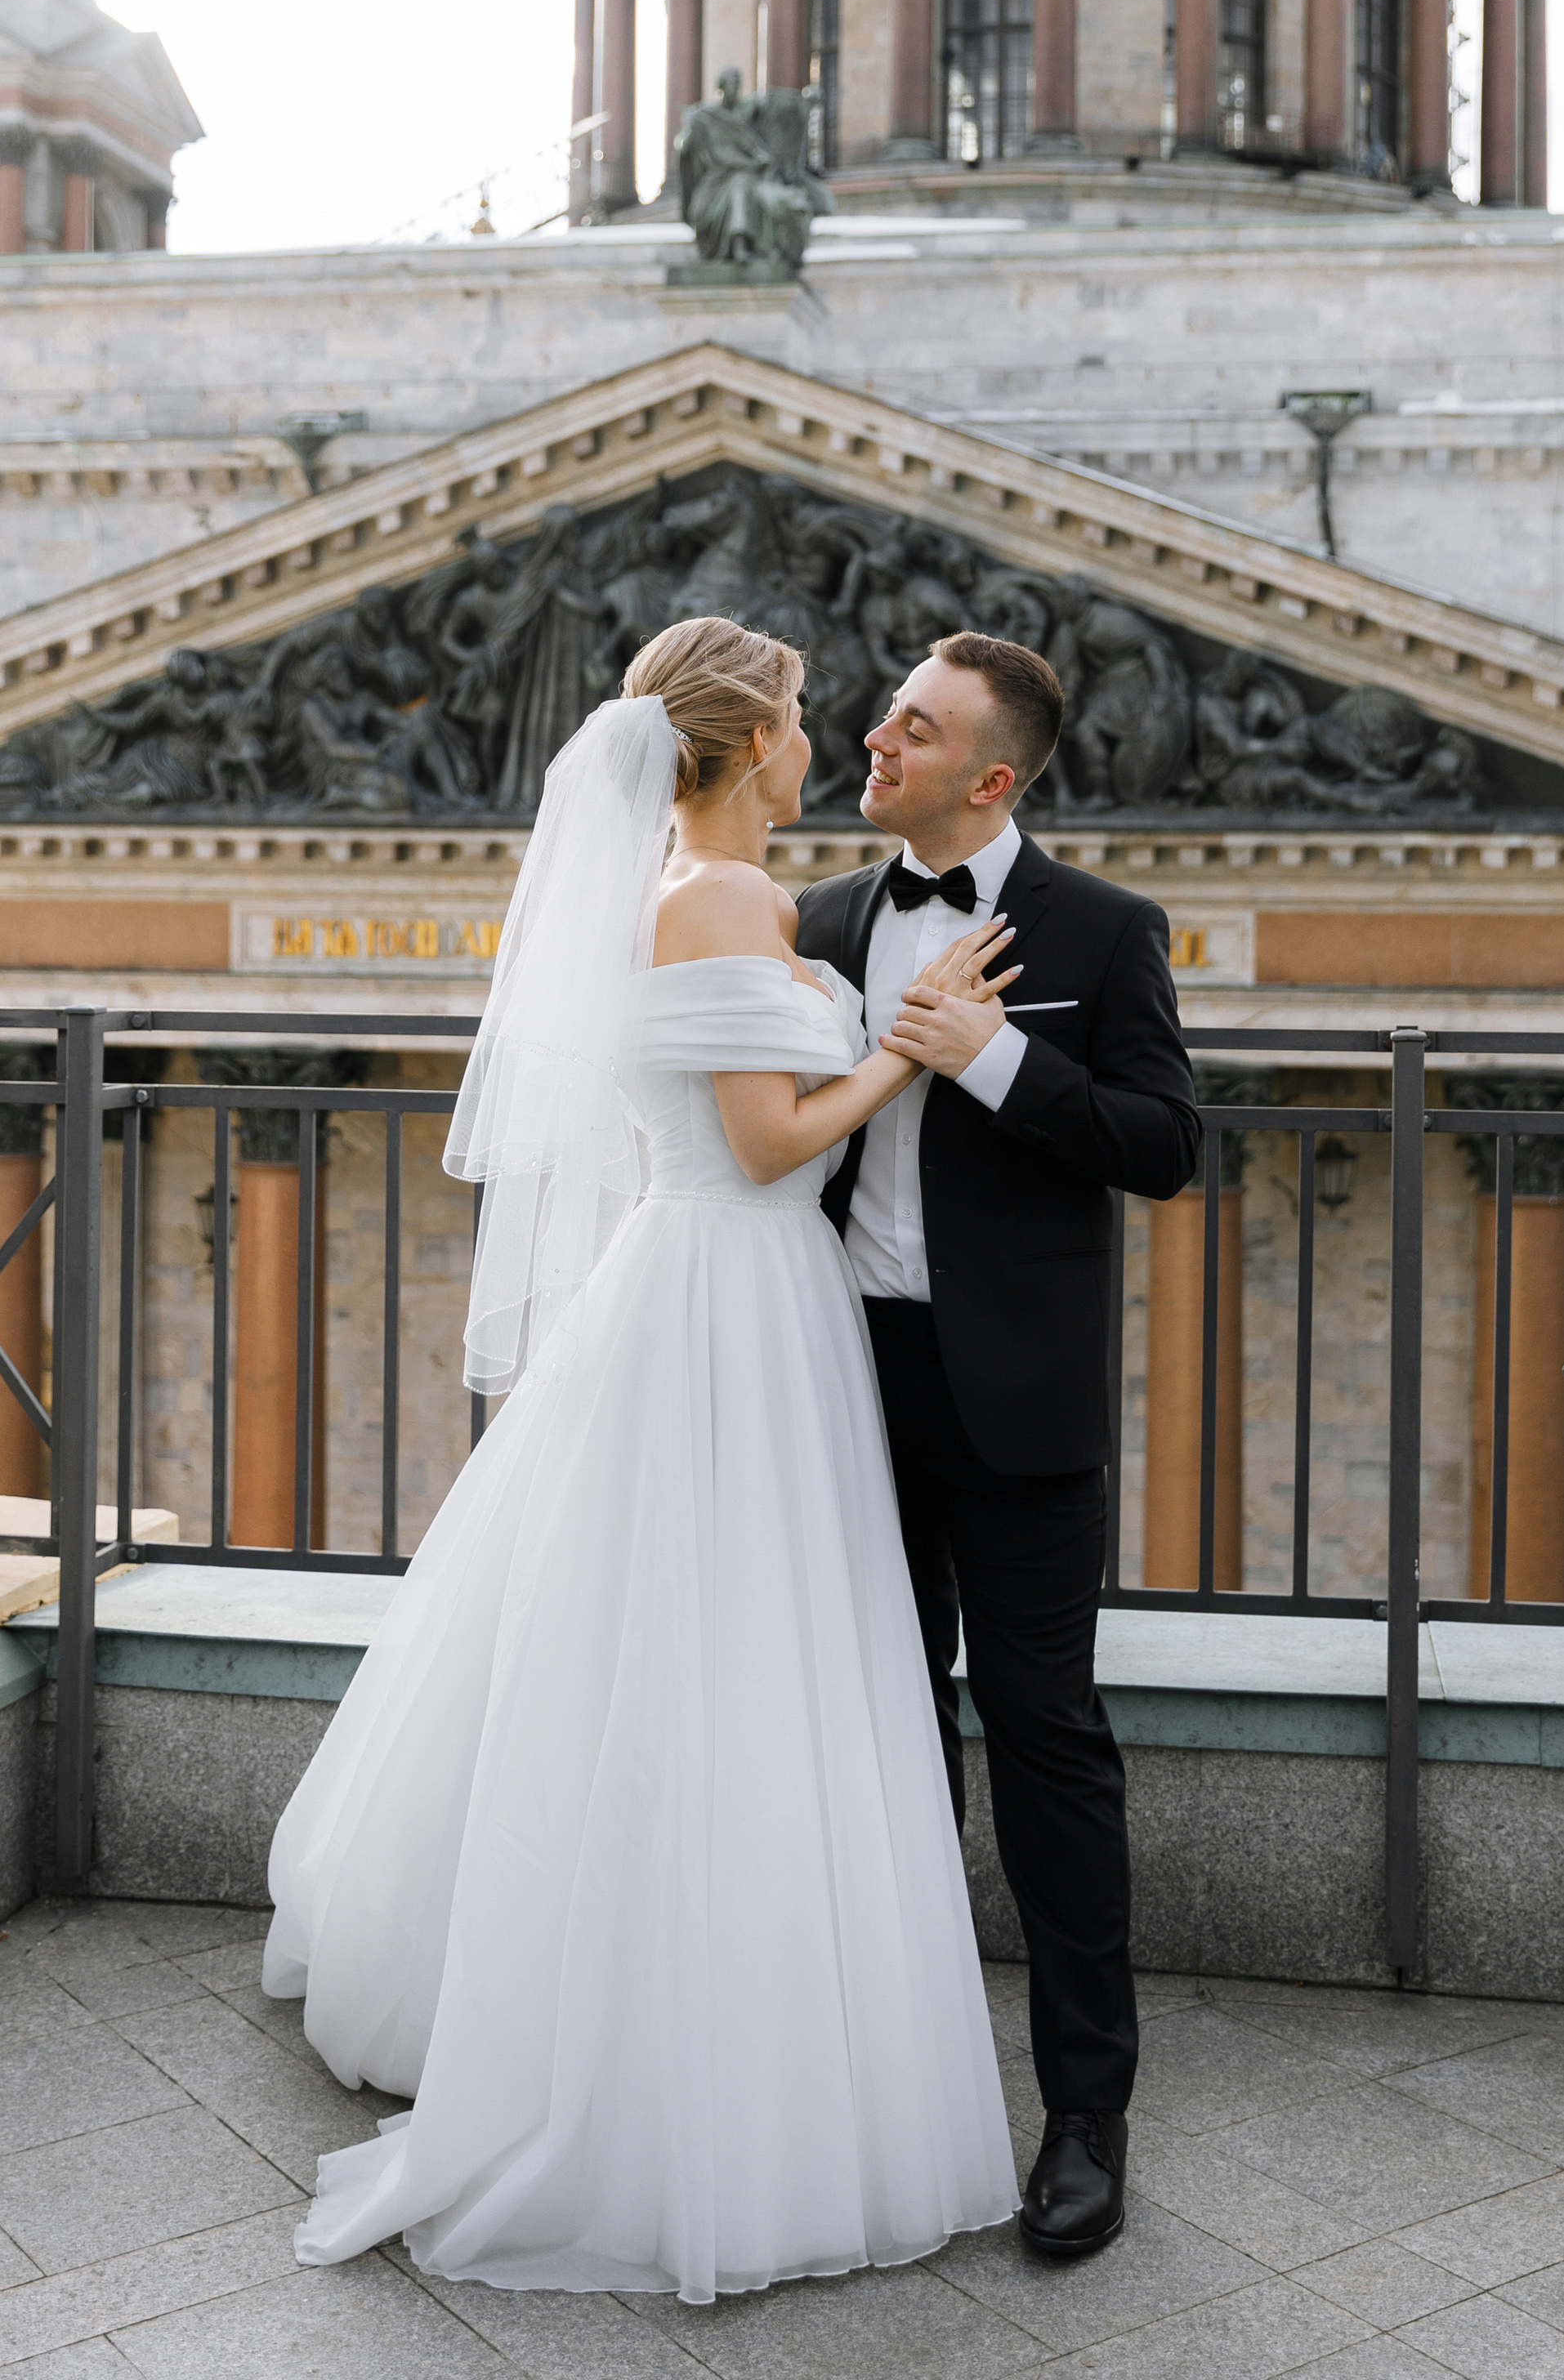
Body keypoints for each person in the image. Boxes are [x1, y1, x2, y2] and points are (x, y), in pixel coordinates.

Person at [261, 617, 1021, 2298]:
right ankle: (698, 2051)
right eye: (806, 716)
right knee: (730, 1651)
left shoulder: (703, 891)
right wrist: (908, 1047)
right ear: (748, 741)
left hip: (727, 1293)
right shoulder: (723, 899)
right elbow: (760, 1146)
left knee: (685, 1646)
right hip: (732, 1291)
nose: (823, 743)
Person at [795, 632, 1201, 2257]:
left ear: (992, 776)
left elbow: (1164, 1144)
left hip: (1019, 1408)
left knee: (1046, 1748)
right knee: (868, 1741)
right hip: (840, 1386)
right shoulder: (819, 920)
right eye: (884, 715)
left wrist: (999, 1061)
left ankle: (1086, 2118)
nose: (873, 737)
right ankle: (876, 2093)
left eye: (913, 726)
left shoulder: (1103, 930)